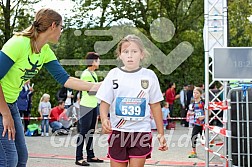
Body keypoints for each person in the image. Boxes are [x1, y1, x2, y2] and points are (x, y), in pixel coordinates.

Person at [0, 8, 99, 166]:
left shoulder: (44, 51)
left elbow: (65, 79)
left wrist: (97, 86)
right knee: (8, 158)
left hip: (10, 103)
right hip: (2, 105)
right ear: (54, 25)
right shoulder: (18, 43)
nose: (61, 31)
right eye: (62, 27)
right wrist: (5, 114)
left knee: (21, 156)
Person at [96, 34, 168, 167]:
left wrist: (161, 133)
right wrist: (104, 118)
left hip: (141, 133)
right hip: (118, 132)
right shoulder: (113, 74)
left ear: (142, 54)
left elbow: (155, 105)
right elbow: (105, 101)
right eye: (126, 52)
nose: (130, 55)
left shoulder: (149, 76)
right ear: (120, 55)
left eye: (134, 51)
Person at [75, 52, 103, 166]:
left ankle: (90, 155)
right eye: (98, 60)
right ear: (93, 62)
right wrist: (103, 85)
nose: (99, 62)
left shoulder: (93, 74)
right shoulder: (86, 74)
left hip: (93, 105)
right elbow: (90, 91)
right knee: (83, 132)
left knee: (91, 132)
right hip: (86, 106)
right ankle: (78, 157)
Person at [188, 87, 205, 158]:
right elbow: (195, 112)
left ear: (200, 94)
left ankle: (209, 152)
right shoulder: (193, 103)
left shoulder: (203, 103)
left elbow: (209, 113)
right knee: (193, 137)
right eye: (194, 93)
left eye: (196, 93)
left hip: (204, 124)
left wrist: (203, 117)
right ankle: (194, 152)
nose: (194, 94)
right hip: (196, 123)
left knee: (205, 139)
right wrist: (191, 114)